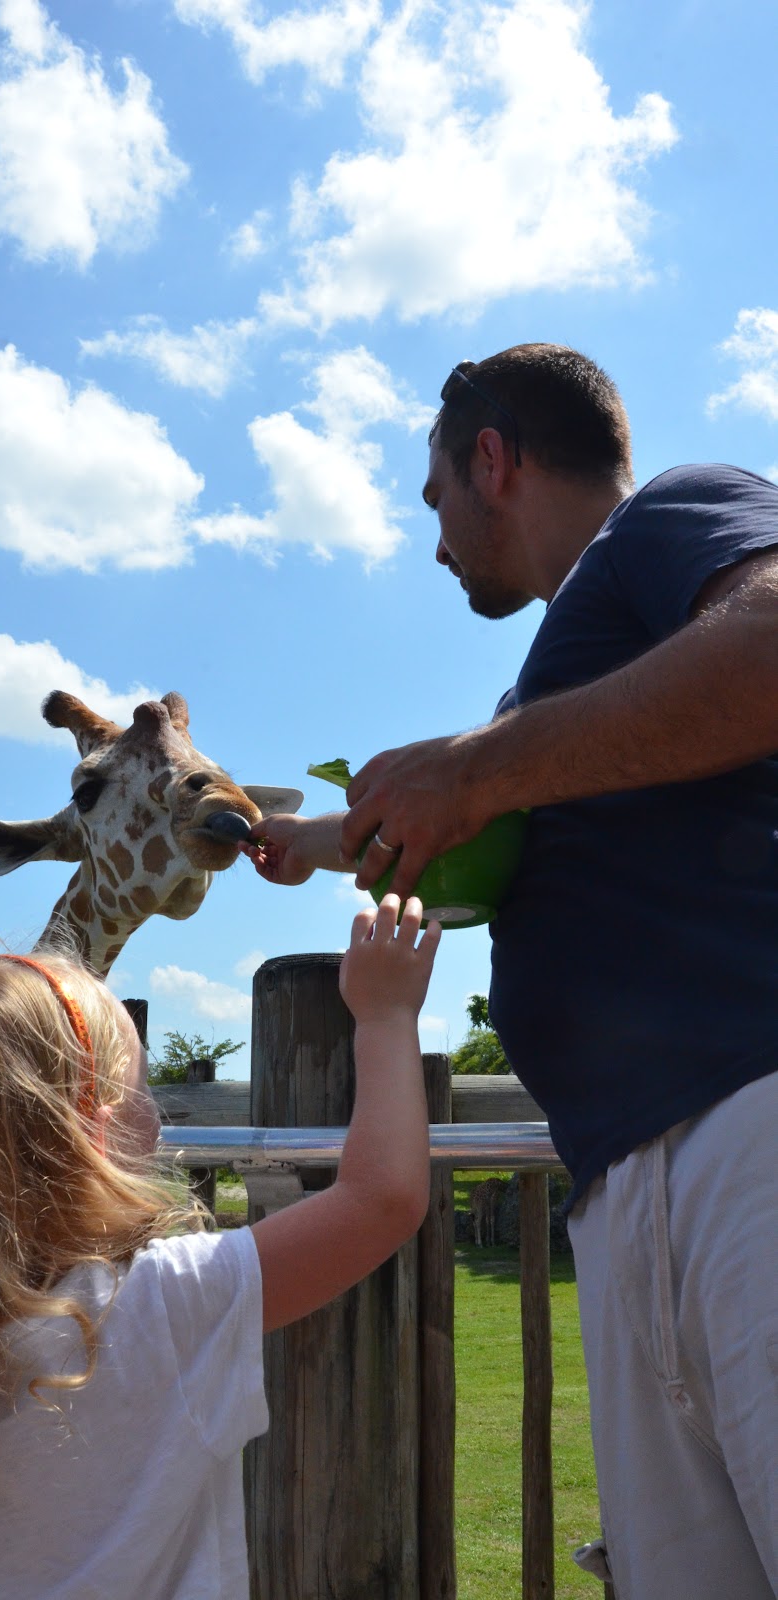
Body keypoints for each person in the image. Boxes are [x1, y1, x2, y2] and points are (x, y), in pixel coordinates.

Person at [245, 344, 778, 1599]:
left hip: (750, 1120)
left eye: (434, 500)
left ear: (493, 458)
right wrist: (287, 841)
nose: (435, 545)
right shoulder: (546, 696)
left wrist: (479, 769)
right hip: (628, 1175)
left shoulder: (673, 513)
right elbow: (479, 830)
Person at [0, 897, 440, 1600]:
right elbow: (381, 1199)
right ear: (98, 1133)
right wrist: (386, 1017)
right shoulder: (166, 1301)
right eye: (143, 1088)